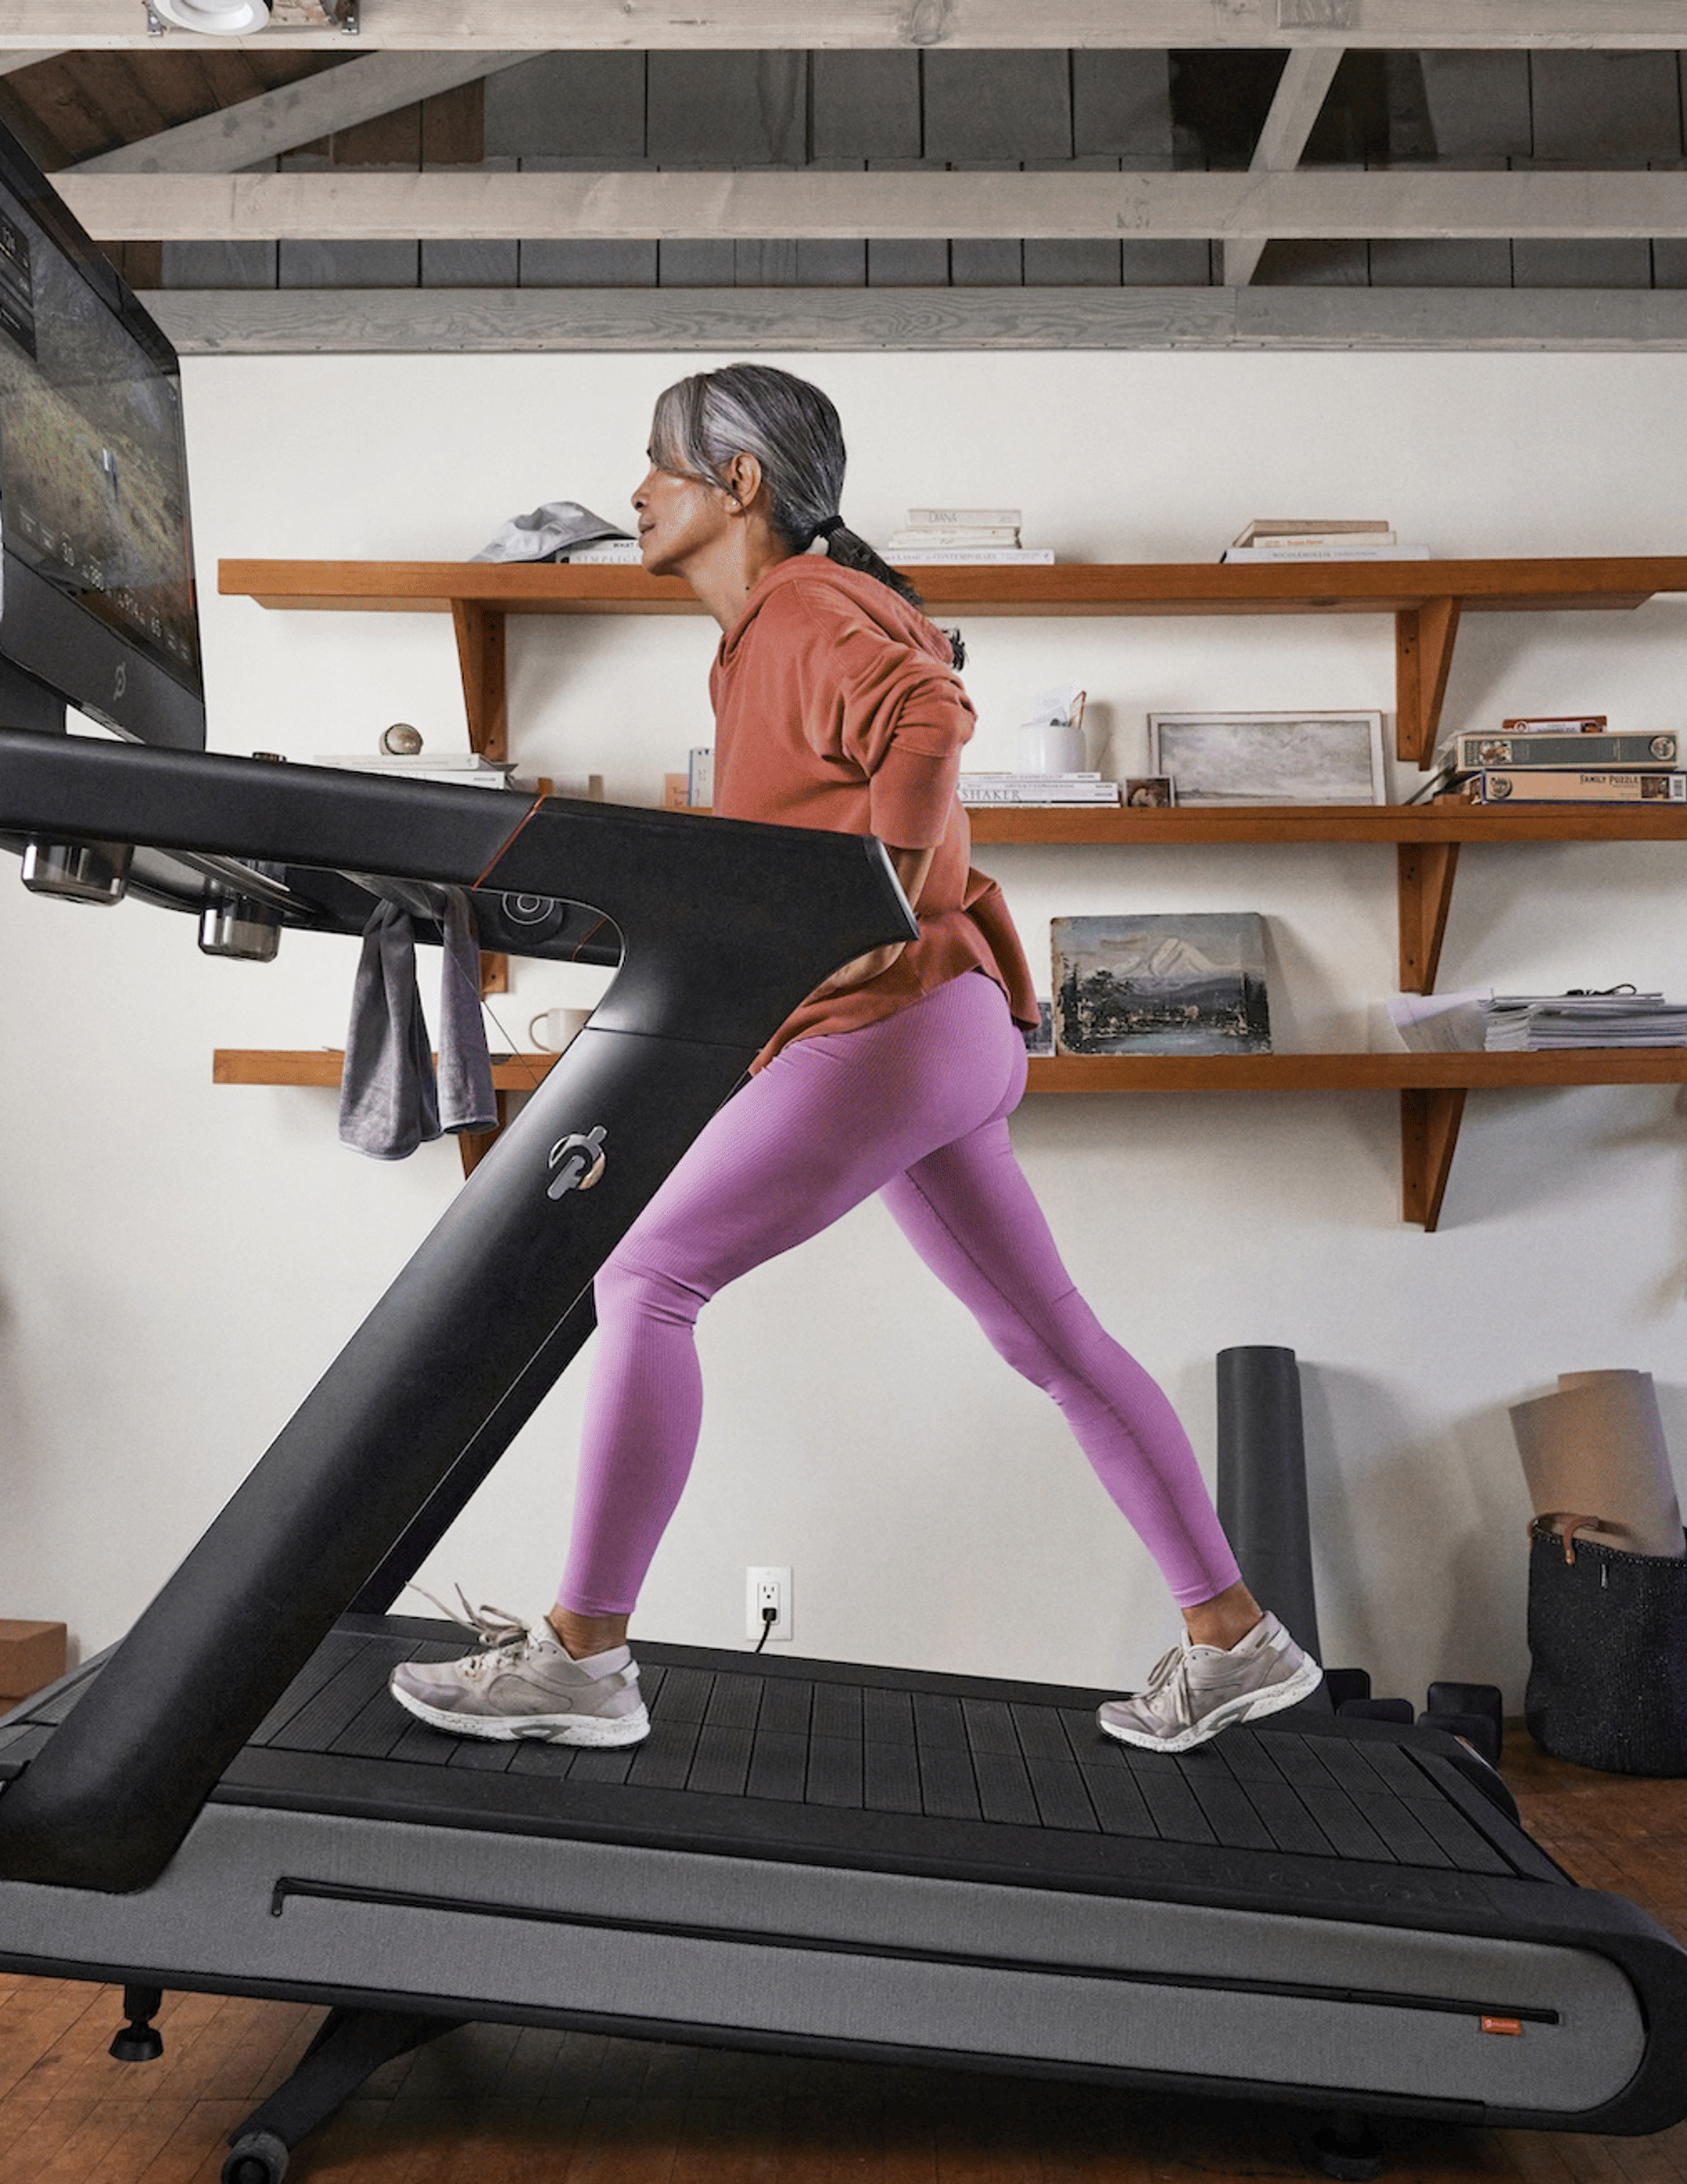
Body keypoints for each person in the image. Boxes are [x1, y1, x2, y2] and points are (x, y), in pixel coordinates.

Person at [391, 364, 1319, 1755]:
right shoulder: (772, 625)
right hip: (949, 1031)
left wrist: (872, 899)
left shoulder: (801, 609)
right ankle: (1234, 1637)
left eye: (660, 466)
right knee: (1054, 1341)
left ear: (739, 486)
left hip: (892, 1029)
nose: (636, 492)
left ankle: (583, 1656)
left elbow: (929, 714)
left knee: (645, 1274)